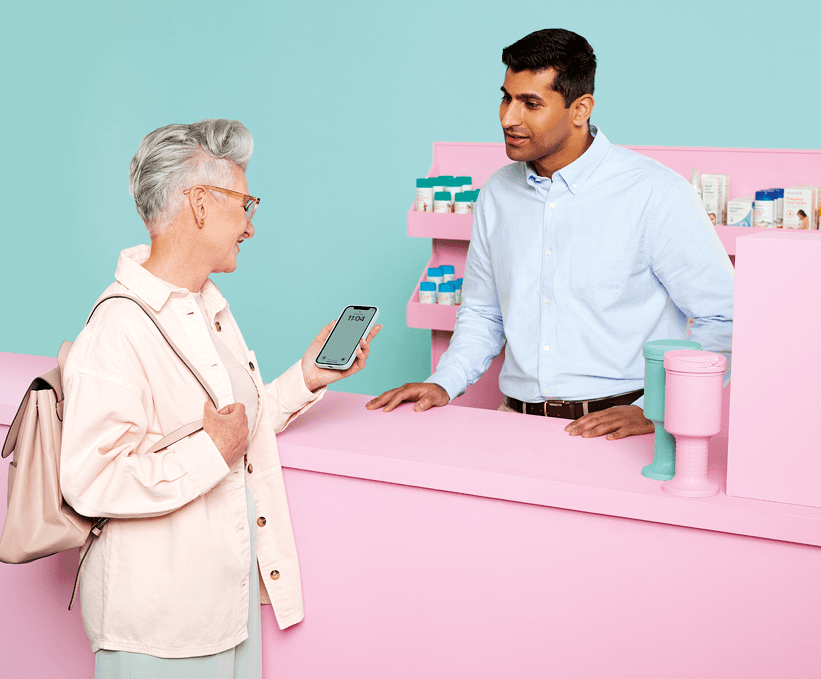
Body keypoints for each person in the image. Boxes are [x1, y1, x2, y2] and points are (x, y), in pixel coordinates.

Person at [59, 119, 380, 678]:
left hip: (224, 612)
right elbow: (89, 480)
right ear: (201, 204)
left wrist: (308, 376)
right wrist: (212, 452)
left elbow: (239, 425)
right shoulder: (117, 330)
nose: (251, 227)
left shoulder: (205, 306)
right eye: (245, 204)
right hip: (160, 631)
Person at [367, 28, 733, 441]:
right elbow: (483, 313)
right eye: (506, 97)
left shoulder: (655, 193)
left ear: (580, 109)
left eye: (531, 104)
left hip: (620, 431)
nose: (509, 118)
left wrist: (656, 410)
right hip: (514, 422)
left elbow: (724, 316)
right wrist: (443, 382)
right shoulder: (497, 194)